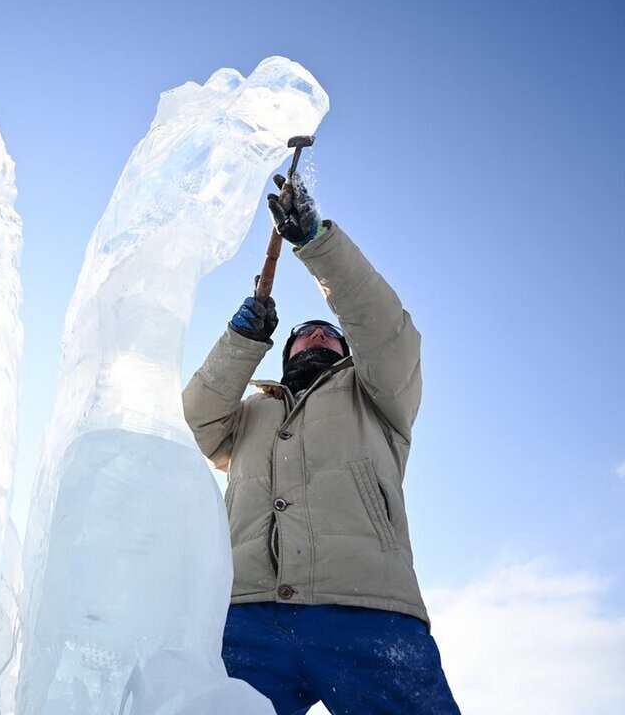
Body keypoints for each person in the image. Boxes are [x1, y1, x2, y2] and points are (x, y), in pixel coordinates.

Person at [182, 177, 461, 714]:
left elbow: (385, 331)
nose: (316, 337)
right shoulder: (248, 415)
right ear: (284, 353)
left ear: (344, 349)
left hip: (367, 610)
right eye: (303, 335)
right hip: (244, 616)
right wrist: (243, 340)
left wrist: (315, 243)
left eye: (328, 334)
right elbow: (197, 418)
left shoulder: (377, 395)